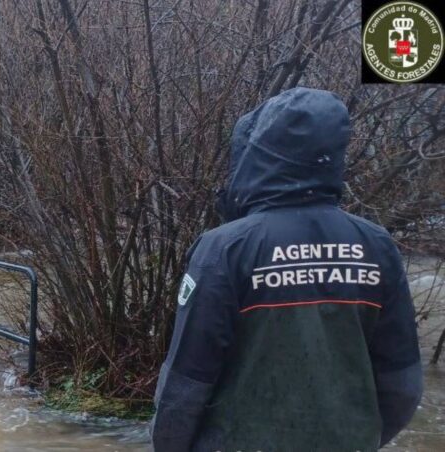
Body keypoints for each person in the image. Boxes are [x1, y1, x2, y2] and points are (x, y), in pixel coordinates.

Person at [151, 87, 423, 451]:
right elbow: (403, 387)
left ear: (254, 154)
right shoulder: (376, 245)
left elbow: (183, 388)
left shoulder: (226, 249)